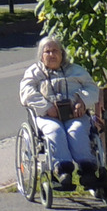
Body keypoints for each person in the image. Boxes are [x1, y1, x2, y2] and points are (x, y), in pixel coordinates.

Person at [19, 35, 102, 190]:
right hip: (47, 115)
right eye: (47, 51)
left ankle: (87, 170)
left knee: (77, 131)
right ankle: (63, 171)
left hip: (74, 113)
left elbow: (92, 88)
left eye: (55, 51)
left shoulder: (76, 70)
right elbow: (26, 92)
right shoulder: (34, 73)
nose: (51, 55)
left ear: (62, 53)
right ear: (41, 55)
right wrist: (46, 107)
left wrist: (82, 101)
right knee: (55, 131)